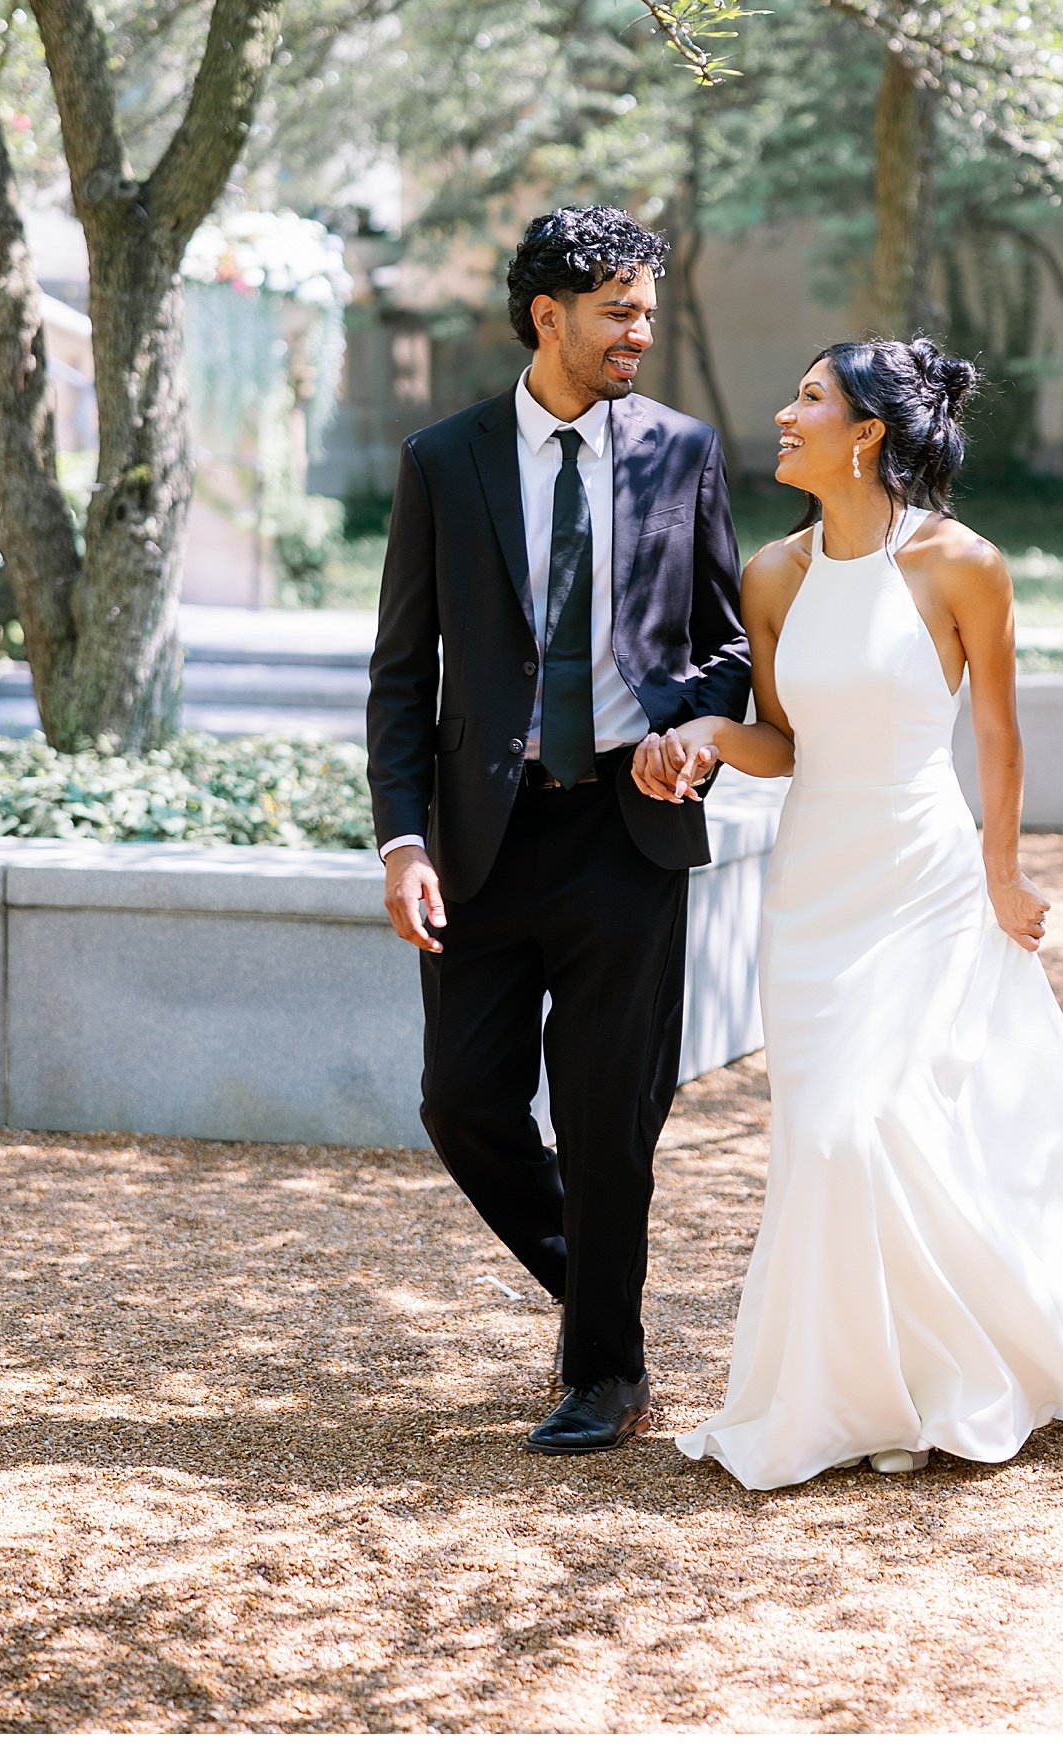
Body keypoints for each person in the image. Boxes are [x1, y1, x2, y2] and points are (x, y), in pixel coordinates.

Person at [632, 336, 1063, 1490]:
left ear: (866, 433)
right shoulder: (772, 574)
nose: (782, 413)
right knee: (829, 1141)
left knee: (880, 1123)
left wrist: (1004, 874)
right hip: (813, 891)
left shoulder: (963, 564)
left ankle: (955, 1378)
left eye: (807, 397)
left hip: (926, 882)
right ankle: (865, 1395)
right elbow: (785, 744)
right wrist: (703, 738)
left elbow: (997, 736)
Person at [367, 207, 750, 1455]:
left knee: (607, 1117)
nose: (643, 329)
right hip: (484, 837)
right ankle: (601, 1297)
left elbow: (729, 640)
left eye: (647, 307)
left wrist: (689, 726)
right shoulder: (444, 457)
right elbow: (399, 670)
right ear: (550, 316)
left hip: (628, 834)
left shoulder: (683, 449)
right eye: (621, 310)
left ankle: (604, 1366)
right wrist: (402, 839)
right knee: (463, 1100)